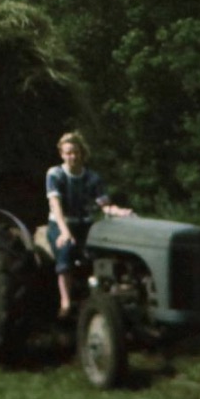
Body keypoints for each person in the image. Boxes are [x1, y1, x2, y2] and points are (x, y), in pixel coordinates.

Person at [46, 130, 131, 317]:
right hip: (61, 224)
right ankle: (65, 302)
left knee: (99, 253)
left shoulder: (93, 178)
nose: (72, 157)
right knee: (66, 251)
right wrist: (64, 231)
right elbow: (55, 205)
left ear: (82, 153)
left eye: (76, 152)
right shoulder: (55, 174)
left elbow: (104, 205)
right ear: (62, 154)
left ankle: (99, 298)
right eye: (68, 153)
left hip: (85, 225)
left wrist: (119, 211)